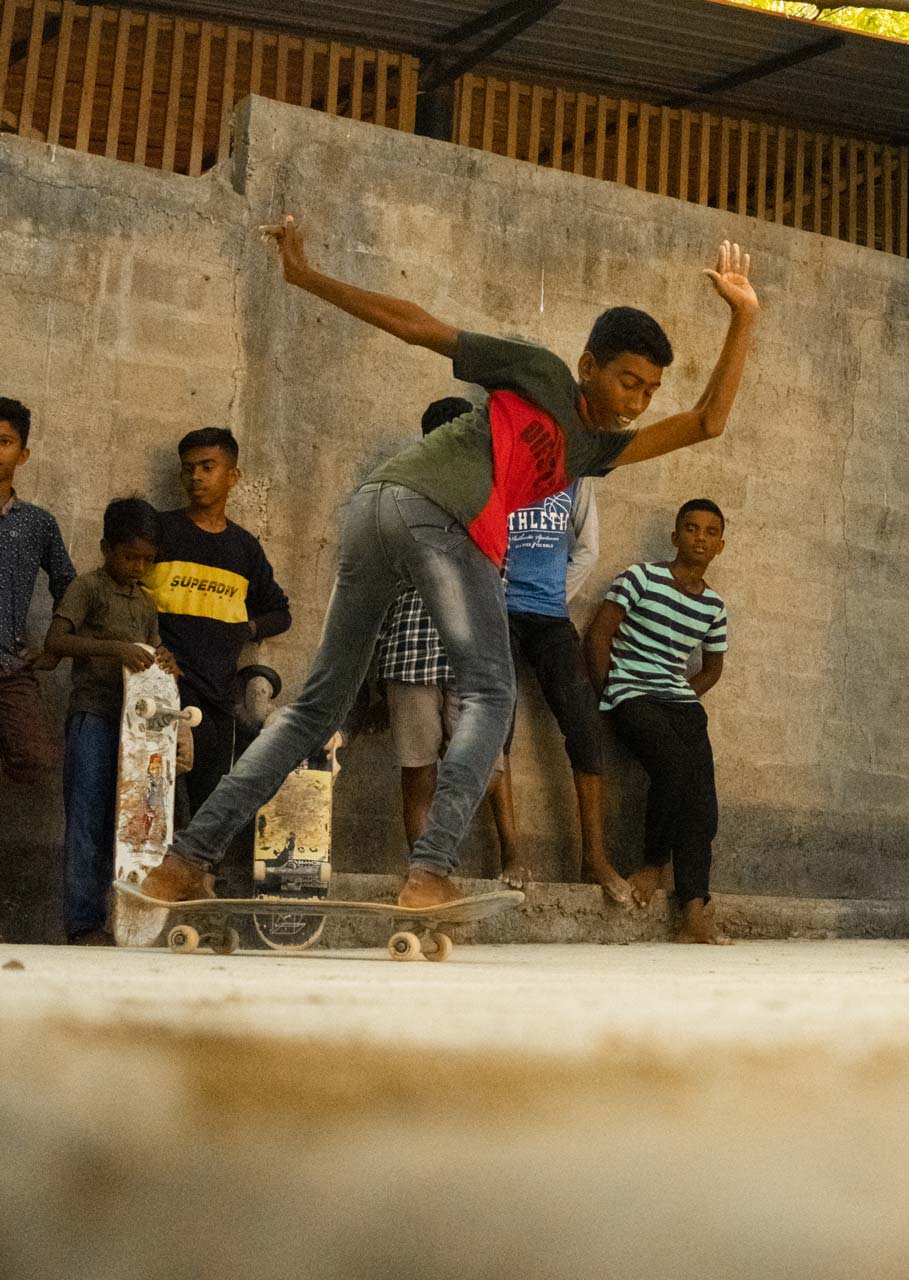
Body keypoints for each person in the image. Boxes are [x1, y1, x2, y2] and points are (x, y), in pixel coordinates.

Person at [136, 214, 759, 912]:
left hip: (377, 514)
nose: (636, 401)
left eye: (648, 390)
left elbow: (707, 422)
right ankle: (430, 871)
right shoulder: (541, 372)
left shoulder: (595, 452)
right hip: (429, 513)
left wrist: (744, 318)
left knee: (317, 707)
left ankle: (185, 859)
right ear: (588, 366)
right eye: (626, 381)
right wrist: (306, 276)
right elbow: (418, 325)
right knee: (492, 694)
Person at [368, 397, 522, 879]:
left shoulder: (493, 504)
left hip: (471, 659)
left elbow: (500, 582)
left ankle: (513, 855)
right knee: (418, 773)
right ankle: (426, 873)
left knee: (486, 767)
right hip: (410, 655)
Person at [146, 427, 293, 895]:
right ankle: (152, 885)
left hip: (219, 692)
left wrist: (247, 629)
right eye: (188, 468)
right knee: (157, 796)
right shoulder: (162, 530)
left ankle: (199, 888)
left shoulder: (245, 548)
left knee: (211, 797)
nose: (196, 477)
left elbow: (281, 611)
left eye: (207, 467)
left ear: (233, 475)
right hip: (165, 688)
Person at [586, 499, 730, 944]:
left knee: (703, 803)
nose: (699, 538)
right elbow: (599, 634)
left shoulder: (714, 607)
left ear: (720, 545)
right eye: (690, 528)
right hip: (631, 692)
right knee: (672, 766)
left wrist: (685, 694)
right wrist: (610, 690)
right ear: (675, 536)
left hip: (679, 703)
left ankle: (693, 913)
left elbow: (713, 667)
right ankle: (652, 864)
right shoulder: (640, 577)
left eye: (709, 532)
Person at [43, 498, 180, 944]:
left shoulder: (145, 603)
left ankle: (121, 919)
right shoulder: (88, 588)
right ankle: (83, 925)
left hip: (135, 732)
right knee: (86, 819)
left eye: (147, 558)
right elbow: (56, 641)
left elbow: (152, 655)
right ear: (106, 548)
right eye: (129, 556)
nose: (138, 565)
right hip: (92, 718)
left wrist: (163, 659)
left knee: (128, 824)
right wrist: (115, 649)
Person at [501, 444, 630, 902]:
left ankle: (594, 856)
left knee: (584, 725)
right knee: (498, 729)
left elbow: (588, 549)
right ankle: (512, 852)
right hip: (498, 613)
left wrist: (556, 595)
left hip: (551, 617)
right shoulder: (499, 463)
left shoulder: (575, 475)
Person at [0, 397, 76, 787]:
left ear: (22, 453)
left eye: (4, 441)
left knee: (38, 757)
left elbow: (69, 585)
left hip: (8, 666)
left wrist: (54, 647)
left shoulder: (37, 523)